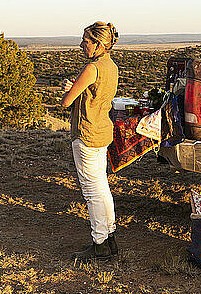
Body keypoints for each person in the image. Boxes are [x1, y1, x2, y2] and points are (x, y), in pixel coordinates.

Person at [61, 21, 119, 263]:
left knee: (91, 190)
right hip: (102, 131)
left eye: (85, 41)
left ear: (98, 44)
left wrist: (68, 90)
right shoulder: (111, 66)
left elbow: (66, 101)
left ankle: (99, 243)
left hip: (86, 132)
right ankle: (109, 236)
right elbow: (91, 95)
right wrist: (77, 91)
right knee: (101, 187)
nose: (81, 45)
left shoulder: (92, 68)